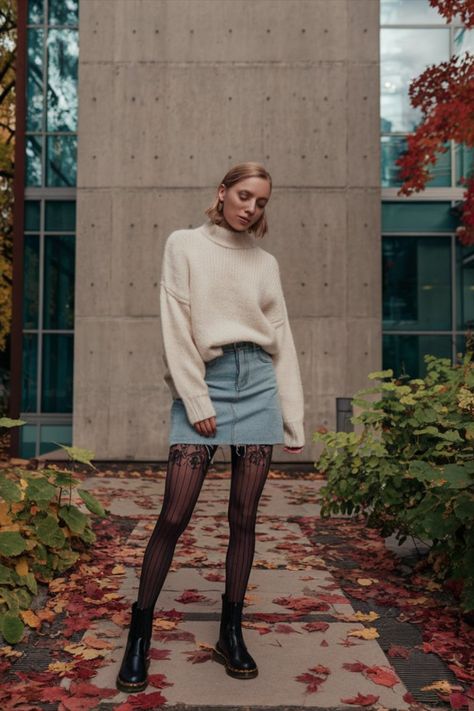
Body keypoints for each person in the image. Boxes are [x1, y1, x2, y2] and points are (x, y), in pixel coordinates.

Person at [116, 162, 305, 693]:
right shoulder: (184, 245)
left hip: (259, 383)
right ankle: (139, 633)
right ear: (222, 193)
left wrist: (291, 414)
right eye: (244, 195)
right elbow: (175, 321)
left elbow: (282, 338)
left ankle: (231, 632)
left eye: (262, 201)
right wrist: (195, 395)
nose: (251, 207)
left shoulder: (265, 263)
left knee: (244, 518)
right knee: (173, 515)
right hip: (209, 377)